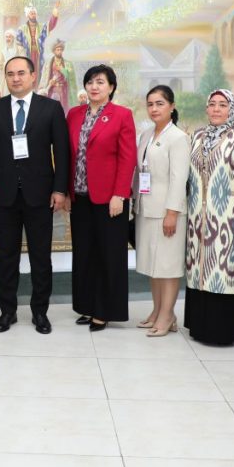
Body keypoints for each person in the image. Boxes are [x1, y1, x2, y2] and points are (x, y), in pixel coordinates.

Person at [0, 56, 71, 335]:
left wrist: (59, 189)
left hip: (40, 196)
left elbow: (62, 152)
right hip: (4, 196)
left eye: (21, 73)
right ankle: (7, 311)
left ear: (33, 76)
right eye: (10, 74)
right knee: (6, 257)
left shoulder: (51, 108)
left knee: (40, 258)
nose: (16, 78)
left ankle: (40, 312)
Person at [184, 89, 234, 346]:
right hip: (199, 216)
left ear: (232, 109)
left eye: (223, 105)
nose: (216, 109)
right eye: (212, 104)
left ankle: (226, 330)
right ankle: (201, 328)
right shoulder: (197, 136)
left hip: (232, 214)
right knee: (202, 268)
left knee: (227, 270)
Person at [66, 65, 136, 332]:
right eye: (90, 82)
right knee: (84, 254)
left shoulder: (122, 115)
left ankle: (104, 311)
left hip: (110, 199)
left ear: (111, 87)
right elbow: (68, 155)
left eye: (100, 82)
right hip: (80, 196)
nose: (94, 87)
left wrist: (120, 194)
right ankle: (87, 306)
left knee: (109, 255)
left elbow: (127, 158)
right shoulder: (74, 114)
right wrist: (67, 192)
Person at [134, 85, 189, 337]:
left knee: (167, 266)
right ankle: (157, 311)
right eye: (150, 104)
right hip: (146, 207)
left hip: (168, 211)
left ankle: (168, 315)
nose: (154, 108)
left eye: (160, 103)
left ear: (172, 106)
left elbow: (179, 179)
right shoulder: (146, 134)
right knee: (152, 265)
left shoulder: (178, 137)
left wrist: (172, 213)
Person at [15, 4, 59, 89]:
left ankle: (37, 91)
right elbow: (18, 43)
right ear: (27, 15)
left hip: (39, 55)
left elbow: (51, 25)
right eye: (31, 13)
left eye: (34, 13)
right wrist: (21, 55)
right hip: (26, 55)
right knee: (27, 73)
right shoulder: (22, 29)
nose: (33, 15)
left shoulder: (42, 27)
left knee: (39, 73)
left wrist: (55, 11)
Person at [45, 39, 78, 113]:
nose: (60, 51)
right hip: (52, 89)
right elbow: (44, 78)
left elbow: (71, 77)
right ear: (54, 51)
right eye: (58, 50)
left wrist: (62, 69)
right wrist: (49, 82)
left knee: (63, 109)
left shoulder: (68, 64)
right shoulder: (48, 64)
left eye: (61, 50)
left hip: (63, 90)